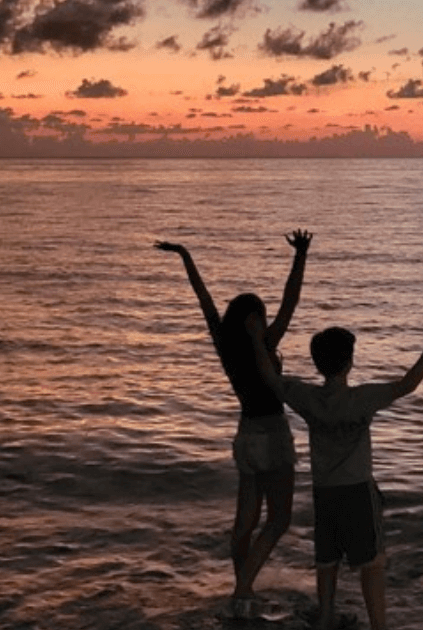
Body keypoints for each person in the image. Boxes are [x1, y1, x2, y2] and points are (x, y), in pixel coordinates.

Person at [249, 316, 423, 630]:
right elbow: (407, 384)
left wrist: (256, 342)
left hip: (324, 490)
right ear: (350, 363)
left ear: (318, 364)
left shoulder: (307, 397)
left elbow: (270, 379)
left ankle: (326, 615)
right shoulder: (361, 399)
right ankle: (378, 625)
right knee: (371, 562)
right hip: (357, 491)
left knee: (326, 559)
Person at [154, 230, 312, 618]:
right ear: (255, 318)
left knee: (244, 523)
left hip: (246, 435)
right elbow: (292, 302)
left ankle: (243, 596)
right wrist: (300, 256)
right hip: (273, 433)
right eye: (260, 312)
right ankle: (242, 588)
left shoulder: (226, 346)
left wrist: (185, 255)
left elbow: (203, 298)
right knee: (279, 520)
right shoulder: (266, 343)